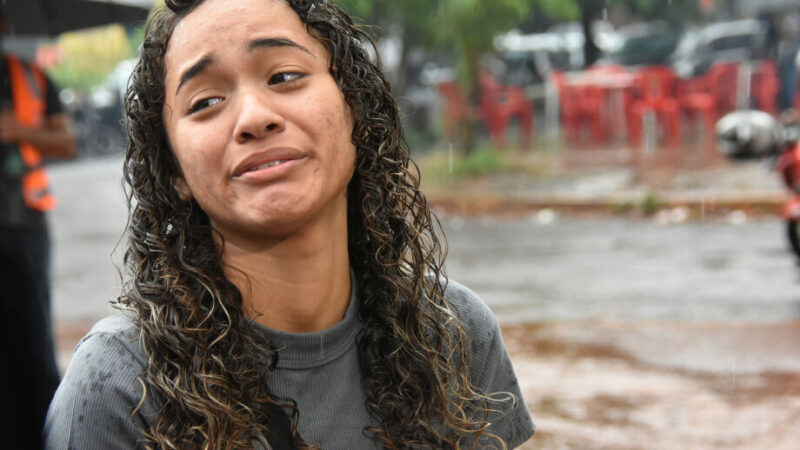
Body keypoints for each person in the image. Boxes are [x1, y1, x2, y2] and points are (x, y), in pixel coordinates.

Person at [44, 0, 535, 448]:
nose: (254, 118)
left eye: (283, 76)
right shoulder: (122, 389)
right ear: (174, 172)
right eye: (205, 102)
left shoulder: (453, 335)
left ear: (353, 107)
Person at [0, 6, 76, 450]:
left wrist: (21, 130)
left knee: (30, 338)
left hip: (21, 223)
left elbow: (65, 141)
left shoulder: (30, 77)